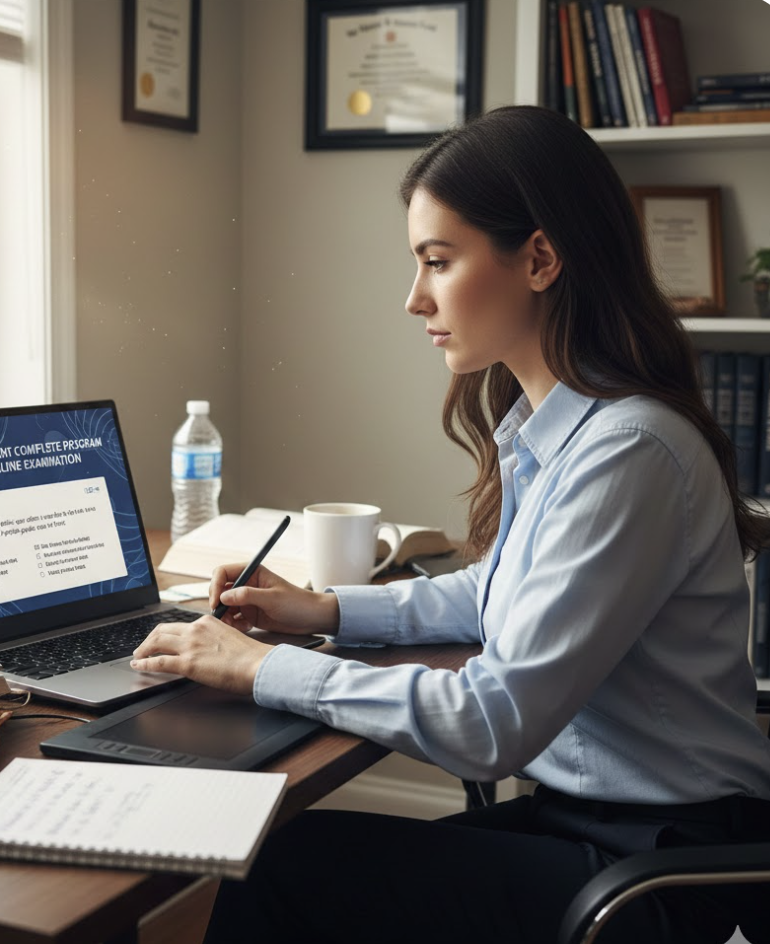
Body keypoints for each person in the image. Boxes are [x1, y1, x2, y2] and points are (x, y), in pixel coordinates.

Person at [130, 105, 770, 944]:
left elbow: (490, 725)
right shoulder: (566, 428)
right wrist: (321, 612)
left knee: (290, 871)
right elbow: (495, 591)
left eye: (438, 260)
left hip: (656, 867)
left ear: (539, 258)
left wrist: (263, 667)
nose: (413, 298)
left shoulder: (629, 452)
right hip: (598, 826)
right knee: (302, 863)